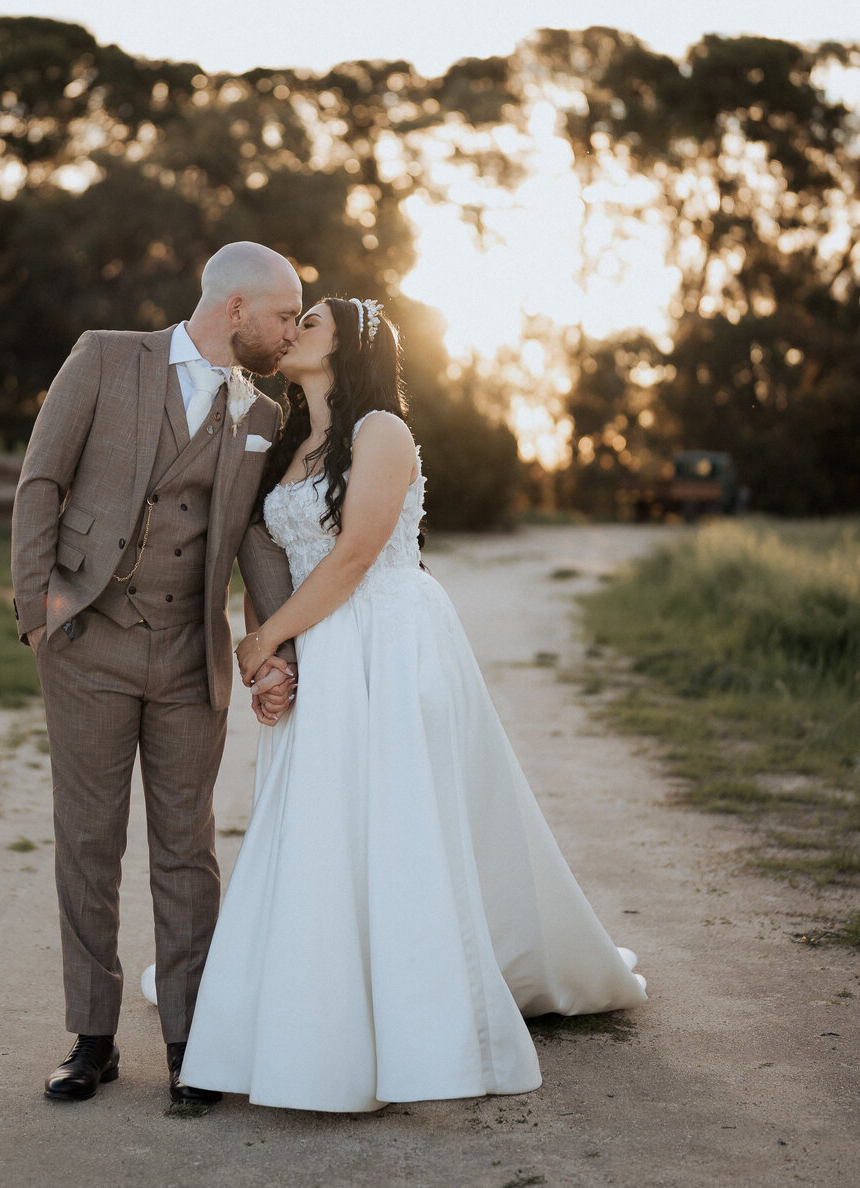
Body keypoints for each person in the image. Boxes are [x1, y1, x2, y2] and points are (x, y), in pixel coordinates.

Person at [178, 296, 647, 1112]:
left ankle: (415, 1014)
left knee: (397, 819)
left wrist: (258, 642)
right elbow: (273, 563)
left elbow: (358, 553)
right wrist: (275, 662)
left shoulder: (380, 433)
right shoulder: (291, 443)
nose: (292, 332)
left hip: (389, 638)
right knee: (319, 818)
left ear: (352, 345)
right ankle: (322, 996)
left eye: (311, 321)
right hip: (321, 641)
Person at [11, 242, 303, 1108]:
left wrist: (276, 649)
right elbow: (42, 480)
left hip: (188, 654)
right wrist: (36, 609)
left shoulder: (264, 415)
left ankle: (190, 1042)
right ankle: (91, 1038)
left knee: (187, 850)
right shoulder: (106, 356)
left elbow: (255, 540)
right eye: (286, 314)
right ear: (238, 308)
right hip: (88, 647)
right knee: (90, 843)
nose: (292, 332)